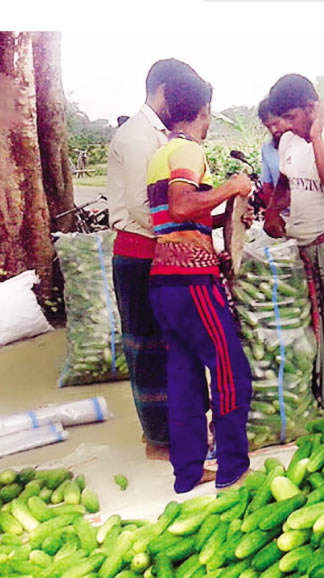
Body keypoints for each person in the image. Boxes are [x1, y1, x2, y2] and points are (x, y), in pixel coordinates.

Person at [145, 71, 254, 492]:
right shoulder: (188, 150)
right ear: (204, 111)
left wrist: (224, 225)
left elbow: (176, 219)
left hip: (164, 282)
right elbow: (182, 204)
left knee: (185, 379)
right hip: (192, 282)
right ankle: (232, 469)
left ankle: (188, 472)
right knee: (230, 371)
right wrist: (232, 186)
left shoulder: (161, 153)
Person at [105, 58, 197, 461]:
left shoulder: (162, 135)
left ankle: (171, 434)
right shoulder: (138, 137)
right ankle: (161, 442)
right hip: (140, 254)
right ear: (163, 91)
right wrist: (197, 223)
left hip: (159, 253)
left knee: (171, 347)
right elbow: (146, 210)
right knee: (148, 350)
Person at [262, 74, 324, 411]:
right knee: (307, 324)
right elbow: (284, 182)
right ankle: (318, 397)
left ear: (312, 108)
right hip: (301, 247)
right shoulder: (289, 142)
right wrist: (273, 210)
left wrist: (317, 136)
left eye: (291, 117)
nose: (286, 126)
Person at [256, 95, 282, 207]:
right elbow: (267, 186)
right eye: (268, 126)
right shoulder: (267, 148)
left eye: (276, 123)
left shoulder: (305, 143)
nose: (274, 130)